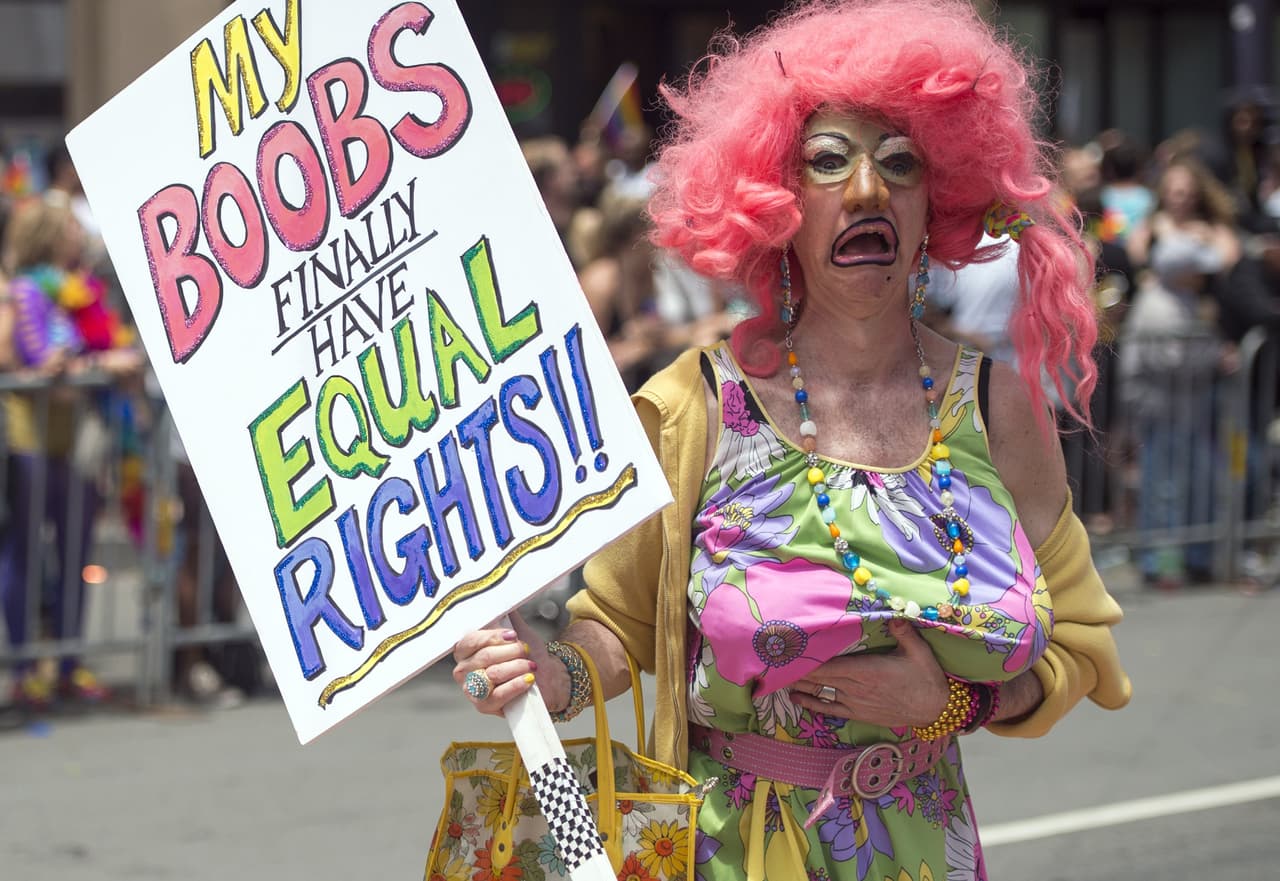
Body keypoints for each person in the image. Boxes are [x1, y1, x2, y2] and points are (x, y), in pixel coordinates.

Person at [452, 3, 1130, 878]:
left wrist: (951, 701)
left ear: (942, 198)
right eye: (827, 162)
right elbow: (619, 626)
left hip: (920, 851)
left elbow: (1081, 641)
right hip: (727, 849)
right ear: (776, 201)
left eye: (900, 163)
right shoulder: (695, 402)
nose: (867, 192)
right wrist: (546, 677)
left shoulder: (993, 402)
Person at [1122, 158, 1241, 587]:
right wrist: (1213, 356)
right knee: (1164, 486)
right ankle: (1162, 563)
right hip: (1163, 408)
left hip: (1188, 408)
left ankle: (1194, 556)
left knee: (1195, 482)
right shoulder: (1159, 304)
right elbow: (1166, 358)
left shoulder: (1188, 302)